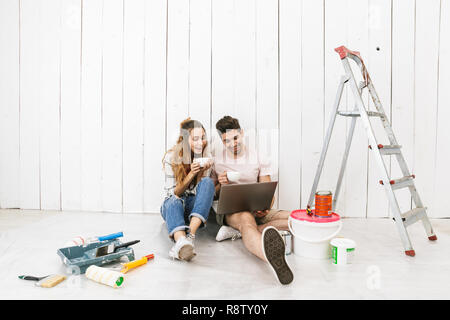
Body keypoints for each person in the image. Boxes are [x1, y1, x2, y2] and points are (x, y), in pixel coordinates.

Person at [211, 116, 294, 285]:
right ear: (221, 140)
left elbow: (267, 191)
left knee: (293, 218)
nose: (232, 144)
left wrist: (265, 207)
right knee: (247, 222)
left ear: (242, 134)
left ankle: (240, 233)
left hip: (256, 208)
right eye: (226, 141)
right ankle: (269, 257)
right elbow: (211, 195)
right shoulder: (217, 161)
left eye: (235, 138)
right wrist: (220, 185)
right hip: (232, 211)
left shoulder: (258, 157)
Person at [160, 118, 215, 261]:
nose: (200, 142)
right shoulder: (171, 157)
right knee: (173, 201)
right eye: (195, 139)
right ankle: (180, 242)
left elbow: (201, 196)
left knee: (208, 182)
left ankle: (189, 237)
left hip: (193, 208)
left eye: (202, 138)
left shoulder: (206, 157)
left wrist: (201, 173)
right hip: (173, 205)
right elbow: (174, 193)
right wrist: (191, 174)